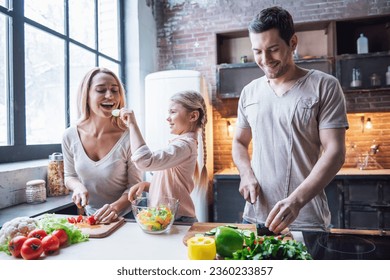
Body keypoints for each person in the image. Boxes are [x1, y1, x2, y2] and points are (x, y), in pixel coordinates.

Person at [232, 6, 349, 233]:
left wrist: (296, 201)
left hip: (306, 218)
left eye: (273, 49)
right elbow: (239, 142)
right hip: (257, 216)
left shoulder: (324, 86)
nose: (265, 59)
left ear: (293, 43)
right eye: (257, 51)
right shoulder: (249, 92)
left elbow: (335, 152)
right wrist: (245, 173)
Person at [62, 67, 142, 224]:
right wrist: (78, 187)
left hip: (127, 218)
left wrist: (115, 208)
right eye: (100, 90)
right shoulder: (69, 136)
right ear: (86, 96)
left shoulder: (128, 137)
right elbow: (69, 176)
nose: (109, 96)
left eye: (115, 90)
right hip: (92, 218)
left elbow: (135, 187)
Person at [120, 90, 208, 223]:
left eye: (173, 112)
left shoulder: (184, 146)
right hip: (170, 219)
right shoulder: (182, 145)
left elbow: (144, 161)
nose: (168, 118)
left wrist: (132, 124)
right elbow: (172, 186)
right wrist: (147, 185)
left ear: (193, 116)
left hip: (178, 220)